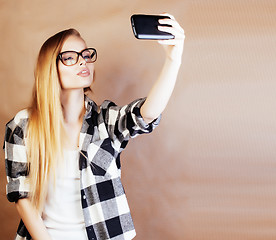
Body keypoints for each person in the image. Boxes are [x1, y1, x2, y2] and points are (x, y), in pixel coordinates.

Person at [3, 13, 185, 240]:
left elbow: (146, 114)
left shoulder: (105, 121)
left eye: (86, 54)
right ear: (50, 68)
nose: (83, 61)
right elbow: (22, 197)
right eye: (70, 57)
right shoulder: (22, 126)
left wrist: (173, 60)